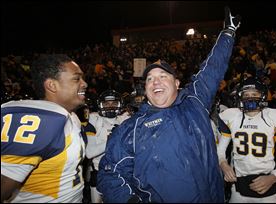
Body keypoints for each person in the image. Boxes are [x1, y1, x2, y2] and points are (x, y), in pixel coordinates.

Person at [97, 7, 241, 203]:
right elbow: (110, 174)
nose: (155, 82)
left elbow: (213, 68)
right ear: (145, 89)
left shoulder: (195, 103)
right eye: (149, 79)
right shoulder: (130, 129)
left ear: (176, 84)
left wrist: (228, 32)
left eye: (163, 76)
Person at [1, 54, 88, 202]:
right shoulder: (39, 120)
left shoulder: (70, 115)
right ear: (52, 85)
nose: (84, 83)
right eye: (76, 78)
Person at [217, 77, 276, 203]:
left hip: (267, 187)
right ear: (240, 97)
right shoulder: (231, 116)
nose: (250, 98)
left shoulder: (274, 117)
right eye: (246, 94)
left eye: (254, 94)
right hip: (238, 186)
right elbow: (220, 151)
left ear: (263, 96)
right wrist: (224, 165)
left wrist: (274, 177)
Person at [86, 89, 130, 203]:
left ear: (120, 104)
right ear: (100, 105)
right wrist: (113, 140)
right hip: (98, 171)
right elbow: (89, 152)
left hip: (122, 171)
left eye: (114, 103)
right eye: (106, 103)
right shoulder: (94, 119)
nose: (110, 106)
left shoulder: (125, 119)